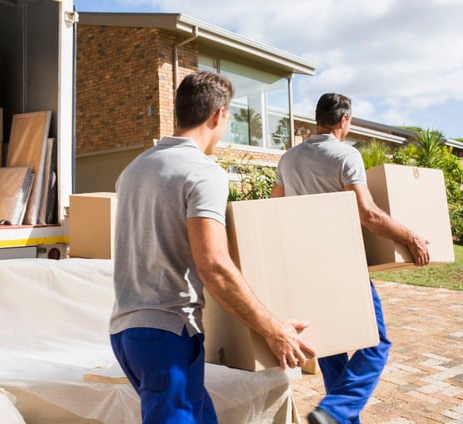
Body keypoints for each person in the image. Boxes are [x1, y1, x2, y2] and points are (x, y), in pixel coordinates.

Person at [109, 70, 317, 424]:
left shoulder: (133, 170)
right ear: (219, 115)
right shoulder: (203, 172)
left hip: (126, 332)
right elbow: (214, 266)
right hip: (167, 336)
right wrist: (273, 329)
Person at [271, 93, 430, 424]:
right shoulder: (345, 155)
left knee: (331, 346)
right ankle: (335, 410)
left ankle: (337, 416)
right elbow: (368, 214)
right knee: (376, 342)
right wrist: (410, 238)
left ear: (318, 119)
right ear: (344, 120)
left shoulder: (288, 159)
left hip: (305, 266)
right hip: (342, 265)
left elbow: (274, 209)